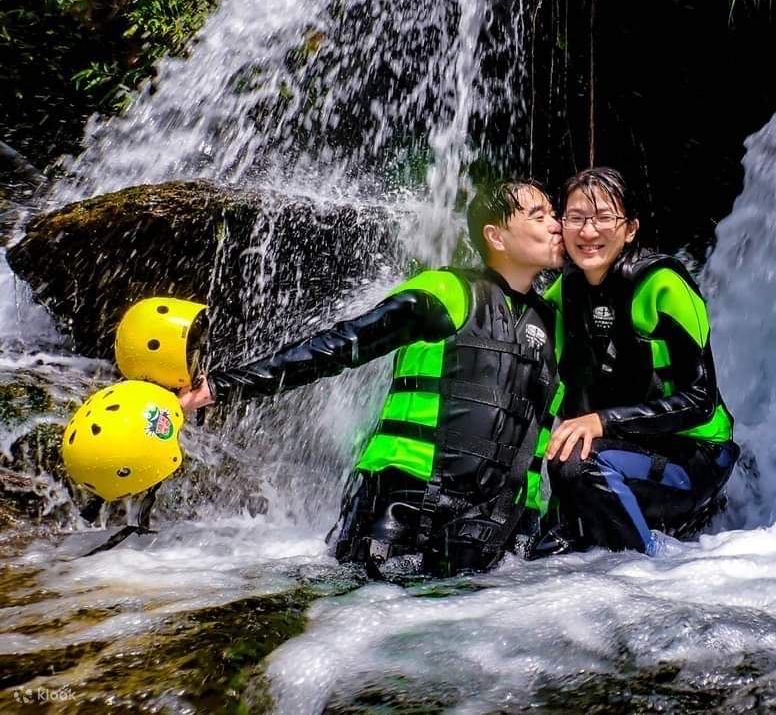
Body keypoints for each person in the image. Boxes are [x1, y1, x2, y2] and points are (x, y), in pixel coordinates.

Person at [180, 180, 565, 579]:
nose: (556, 224)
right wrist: (222, 387)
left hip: (499, 525)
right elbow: (338, 347)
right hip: (406, 506)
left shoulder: (556, 322)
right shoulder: (447, 291)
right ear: (496, 236)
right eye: (538, 216)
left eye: (554, 215)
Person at [540, 167, 739, 557]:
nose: (588, 231)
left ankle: (649, 569)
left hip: (695, 453)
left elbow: (700, 401)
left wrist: (603, 421)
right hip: (622, 451)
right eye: (576, 218)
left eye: (603, 218)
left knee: (578, 462)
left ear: (630, 229)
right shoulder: (565, 291)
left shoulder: (663, 284)